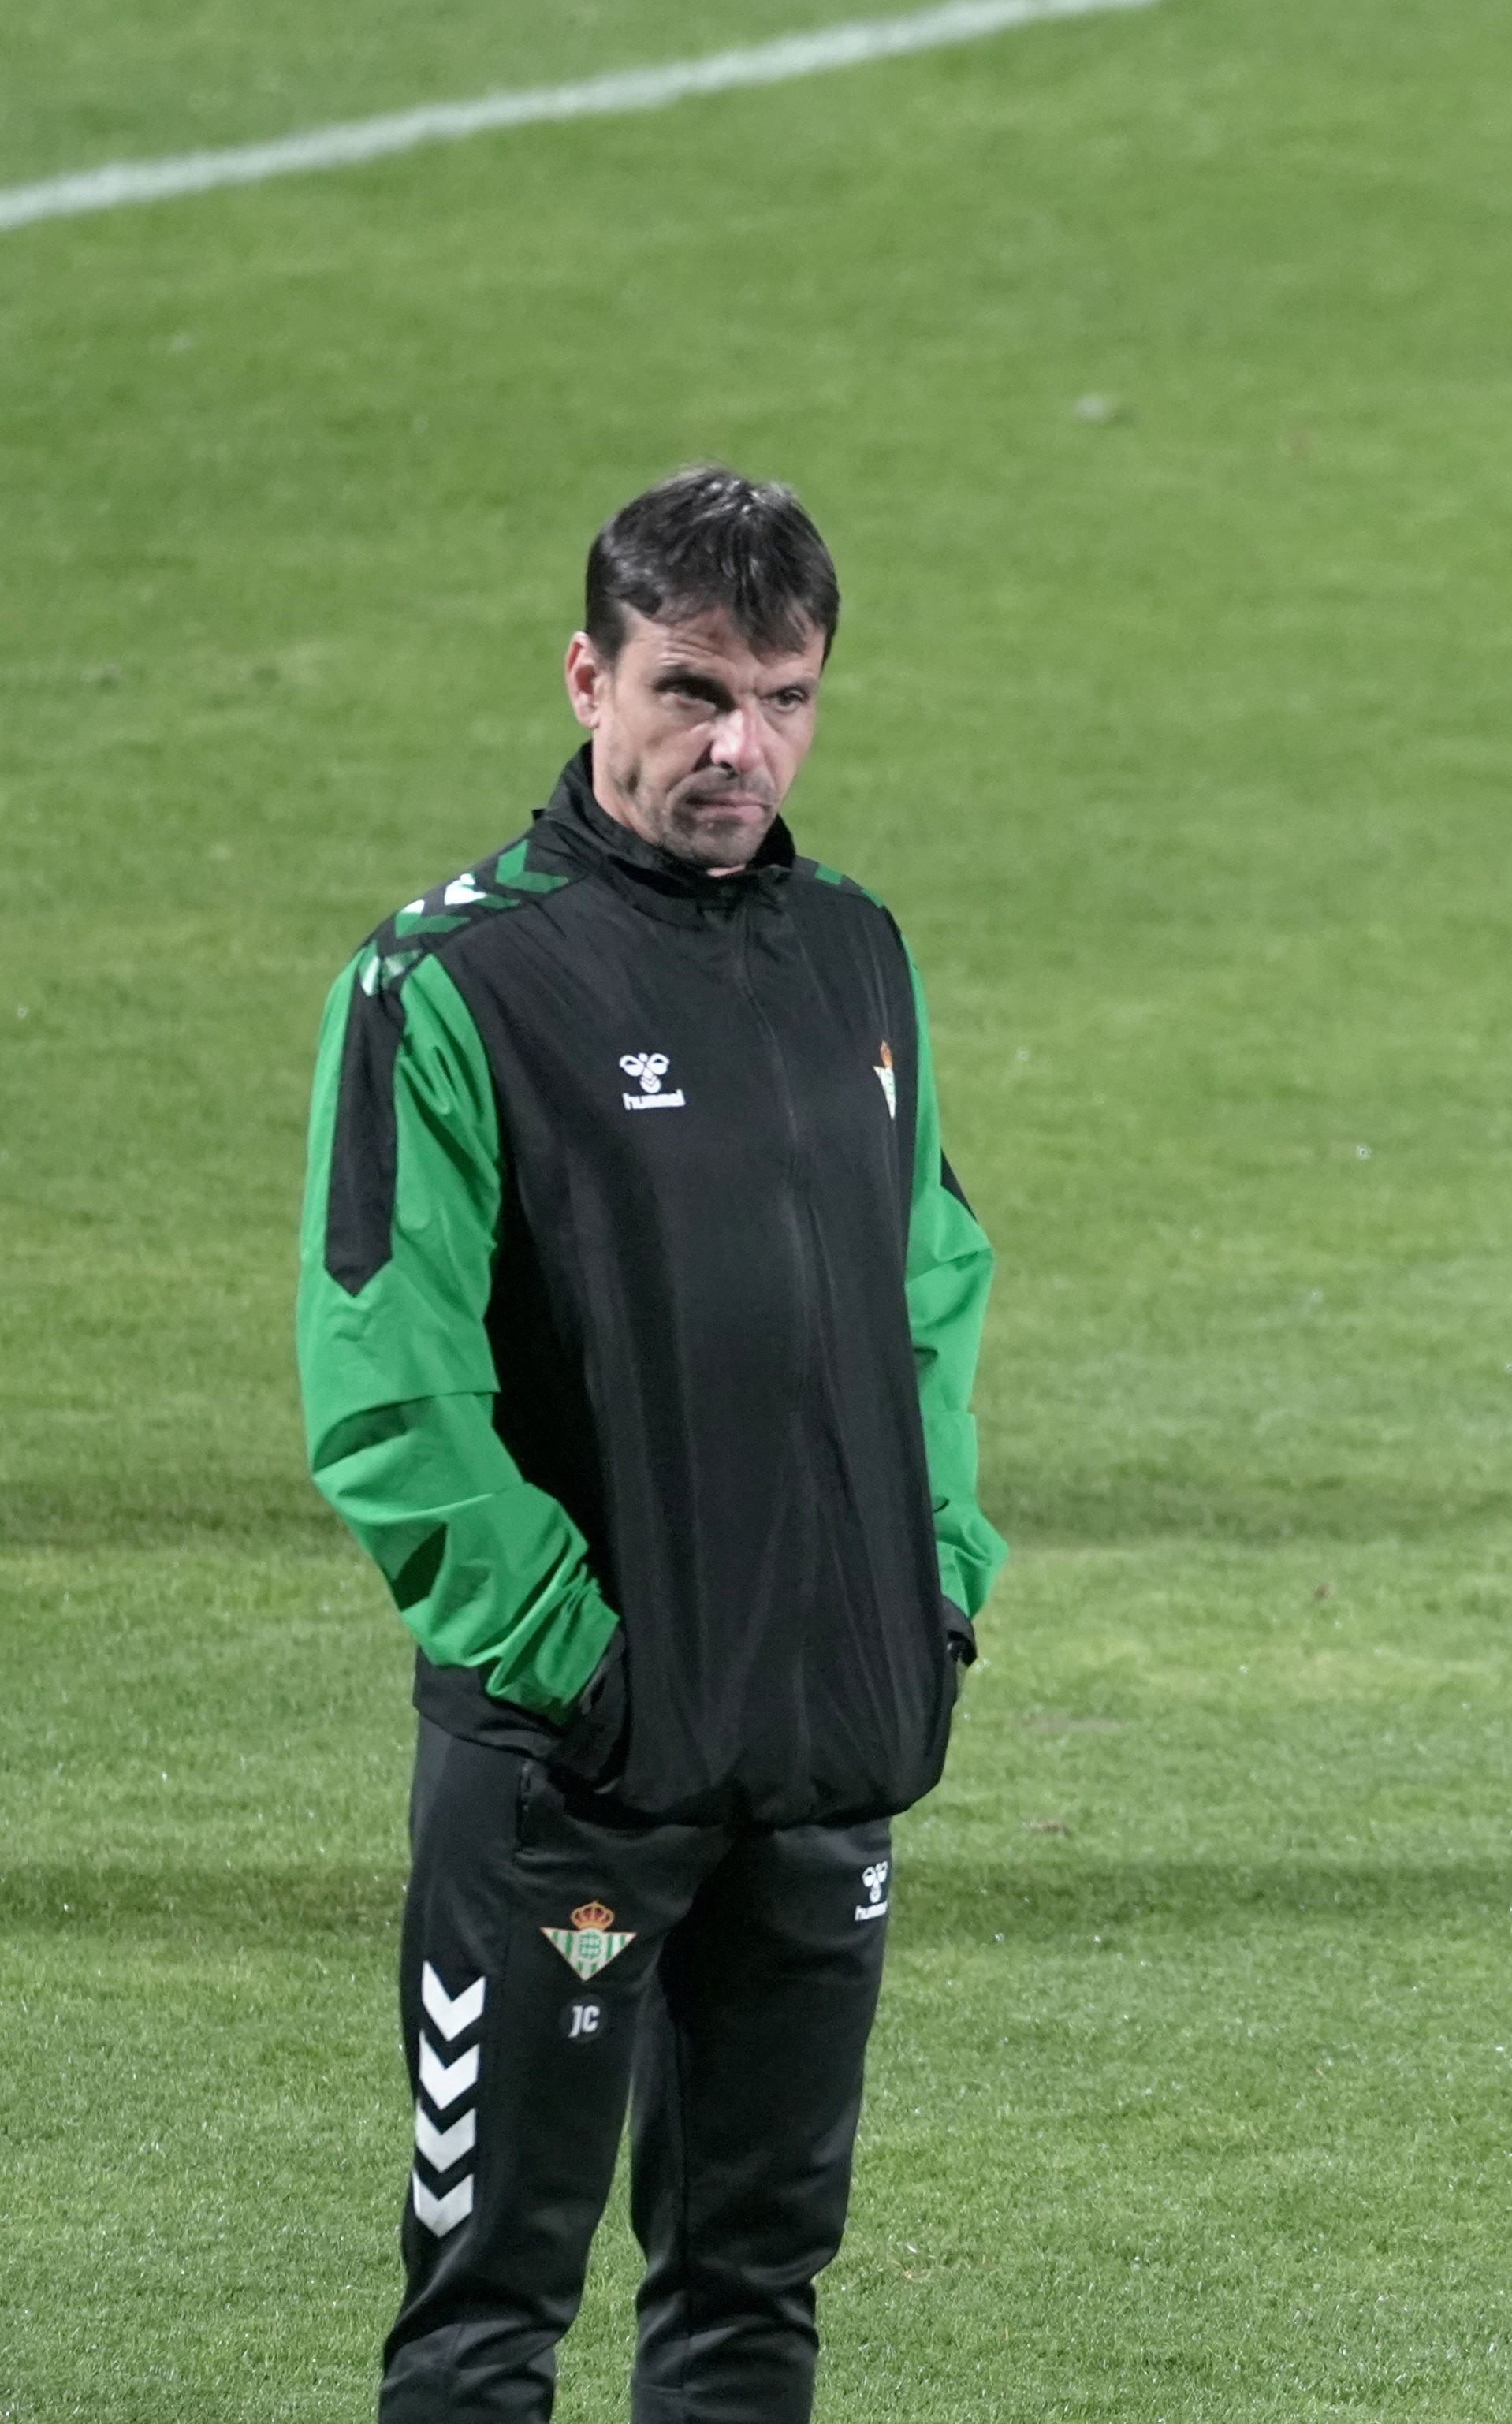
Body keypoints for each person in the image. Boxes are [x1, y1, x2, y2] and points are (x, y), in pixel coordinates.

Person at [296, 464, 1007, 2422]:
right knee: (482, 2316)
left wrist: (927, 1580)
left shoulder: (857, 955)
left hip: (821, 1741)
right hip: (570, 1774)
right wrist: (588, 1666)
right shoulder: (451, 982)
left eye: (783, 698)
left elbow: (928, 1281)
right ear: (585, 675)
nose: (739, 746)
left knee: (753, 2291)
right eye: (692, 690)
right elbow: (388, 1388)